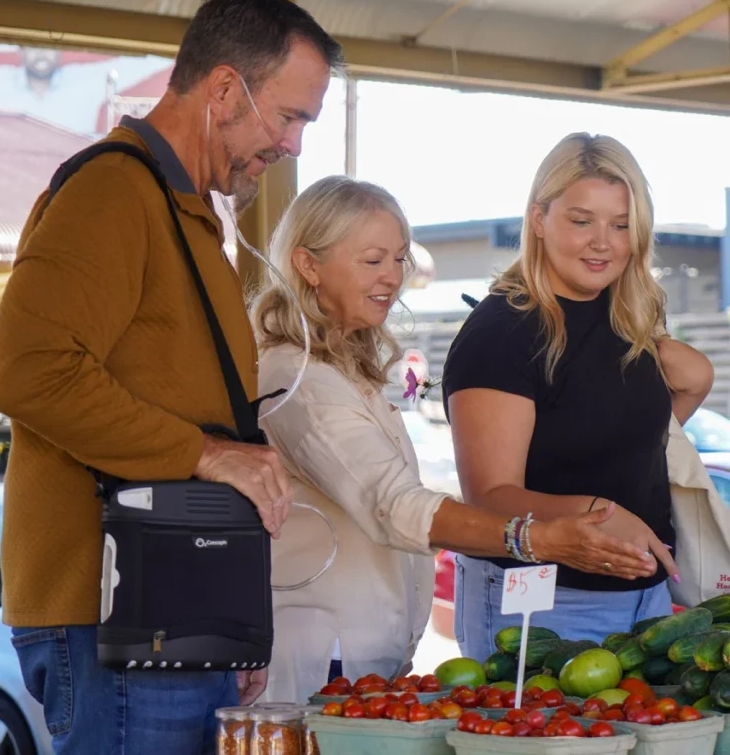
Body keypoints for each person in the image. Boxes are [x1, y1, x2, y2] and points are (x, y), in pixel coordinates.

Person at [0, 0, 343, 753]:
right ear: (222, 90)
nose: (294, 145)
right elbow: (27, 372)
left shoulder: (180, 210)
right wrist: (210, 454)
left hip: (173, 612)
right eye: (289, 116)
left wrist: (235, 617)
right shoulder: (113, 190)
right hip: (118, 618)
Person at [251, 175, 667, 704]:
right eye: (373, 260)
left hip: (364, 652)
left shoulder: (341, 368)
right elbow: (394, 506)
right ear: (308, 265)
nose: (392, 278)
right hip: (317, 657)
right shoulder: (300, 380)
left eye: (399, 260)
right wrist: (537, 539)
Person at [443, 132, 705, 662]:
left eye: (622, 224)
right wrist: (599, 512)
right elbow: (489, 496)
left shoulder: (627, 322)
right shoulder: (505, 330)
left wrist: (694, 377)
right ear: (538, 219)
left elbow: (626, 446)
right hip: (544, 604)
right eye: (581, 220)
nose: (602, 241)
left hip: (646, 600)